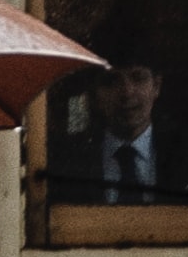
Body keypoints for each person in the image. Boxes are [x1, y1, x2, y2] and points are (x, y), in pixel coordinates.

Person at [49, 35, 171, 201]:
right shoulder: (68, 161)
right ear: (94, 94)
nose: (127, 93)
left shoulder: (186, 156)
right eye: (111, 81)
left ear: (156, 86)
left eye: (137, 78)